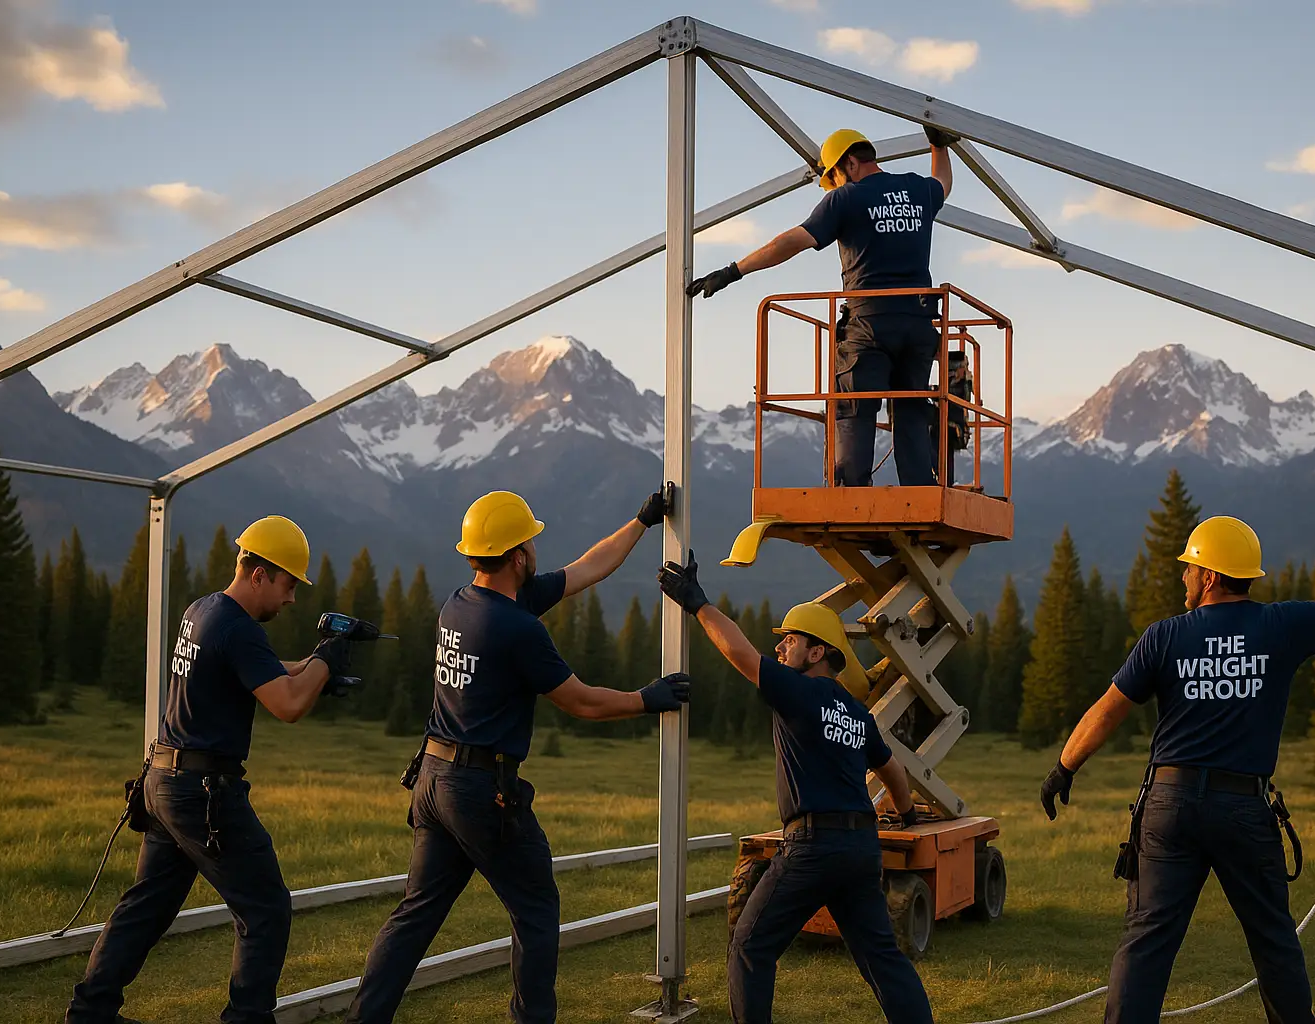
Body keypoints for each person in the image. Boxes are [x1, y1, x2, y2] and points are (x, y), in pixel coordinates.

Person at [1039, 514, 1315, 1024]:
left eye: (1189, 567)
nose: (1183, 576)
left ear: (1209, 575)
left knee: (1146, 942)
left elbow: (1107, 710)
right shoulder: (1280, 625)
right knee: (1274, 941)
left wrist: (1064, 767)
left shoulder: (1164, 637)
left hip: (1169, 808)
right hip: (1243, 810)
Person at [345, 489, 691, 1024]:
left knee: (415, 915)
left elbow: (584, 569)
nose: (535, 549)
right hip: (480, 791)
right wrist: (646, 699)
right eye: (529, 541)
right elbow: (579, 700)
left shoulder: (461, 604)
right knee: (535, 909)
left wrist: (641, 523)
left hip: (433, 780)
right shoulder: (517, 628)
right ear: (517, 557)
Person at [67, 515, 351, 1024]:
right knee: (265, 908)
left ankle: (90, 1013)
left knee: (146, 907)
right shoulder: (238, 629)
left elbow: (258, 667)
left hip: (164, 780)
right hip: (204, 793)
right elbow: (286, 706)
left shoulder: (205, 610)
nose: (291, 599)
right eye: (289, 584)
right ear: (260, 573)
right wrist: (327, 659)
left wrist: (314, 668)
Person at [658, 552, 935, 1024]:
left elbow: (740, 655)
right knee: (882, 959)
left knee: (750, 947)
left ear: (818, 652)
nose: (782, 647)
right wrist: (907, 816)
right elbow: (892, 771)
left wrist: (697, 601)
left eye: (791, 640)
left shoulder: (798, 691)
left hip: (813, 846)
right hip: (860, 848)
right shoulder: (854, 711)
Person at [689, 125, 960, 488]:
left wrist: (733, 270)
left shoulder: (846, 199)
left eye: (833, 177)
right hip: (918, 325)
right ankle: (920, 497)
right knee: (910, 409)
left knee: (854, 409)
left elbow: (788, 242)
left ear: (848, 163)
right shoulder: (917, 189)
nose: (834, 186)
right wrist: (937, 146)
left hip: (870, 325)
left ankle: (852, 501)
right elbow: (943, 181)